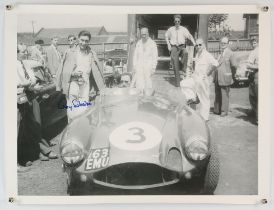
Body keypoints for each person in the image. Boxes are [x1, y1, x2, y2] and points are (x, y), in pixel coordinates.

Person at [56, 30, 105, 121]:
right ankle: (71, 132)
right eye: (82, 40)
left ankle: (81, 131)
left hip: (85, 85)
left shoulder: (91, 53)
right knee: (72, 111)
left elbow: (97, 71)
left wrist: (100, 87)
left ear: (89, 41)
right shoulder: (70, 52)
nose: (84, 43)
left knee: (83, 111)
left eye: (86, 41)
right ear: (78, 39)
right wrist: (72, 73)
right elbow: (63, 70)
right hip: (73, 84)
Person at [183, 38, 218, 121]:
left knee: (205, 99)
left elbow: (215, 63)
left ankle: (205, 118)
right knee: (186, 86)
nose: (198, 46)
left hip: (203, 79)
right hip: (196, 78)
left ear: (204, 45)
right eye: (197, 45)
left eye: (200, 45)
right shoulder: (197, 54)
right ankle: (194, 105)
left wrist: (208, 73)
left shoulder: (207, 54)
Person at [165, 14, 196, 87]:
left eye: (178, 21)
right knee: (175, 64)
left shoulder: (183, 29)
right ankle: (177, 84)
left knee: (185, 52)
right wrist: (168, 44)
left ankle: (183, 69)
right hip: (174, 47)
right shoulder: (171, 29)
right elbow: (166, 36)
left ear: (180, 21)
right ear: (174, 22)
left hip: (182, 46)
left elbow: (189, 36)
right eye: (176, 21)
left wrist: (194, 43)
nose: (177, 23)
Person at [213, 36, 236, 117]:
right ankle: (217, 110)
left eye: (224, 43)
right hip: (217, 77)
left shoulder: (231, 53)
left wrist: (231, 76)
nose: (223, 44)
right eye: (222, 43)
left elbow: (234, 66)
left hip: (226, 77)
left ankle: (224, 111)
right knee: (217, 93)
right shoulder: (220, 53)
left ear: (228, 44)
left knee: (224, 94)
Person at [131, 27, 158, 93]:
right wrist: (134, 66)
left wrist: (153, 68)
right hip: (139, 66)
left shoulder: (152, 43)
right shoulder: (138, 43)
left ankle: (147, 99)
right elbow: (135, 55)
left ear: (148, 34)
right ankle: (140, 99)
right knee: (139, 84)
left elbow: (155, 57)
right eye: (142, 34)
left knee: (148, 85)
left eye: (144, 34)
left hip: (148, 66)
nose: (143, 36)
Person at [246, 37, 258, 123]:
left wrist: (249, 66)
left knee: (257, 96)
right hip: (252, 75)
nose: (254, 44)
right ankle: (254, 111)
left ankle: (258, 118)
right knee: (252, 95)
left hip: (258, 75)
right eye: (252, 43)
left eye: (255, 43)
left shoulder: (259, 51)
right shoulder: (253, 51)